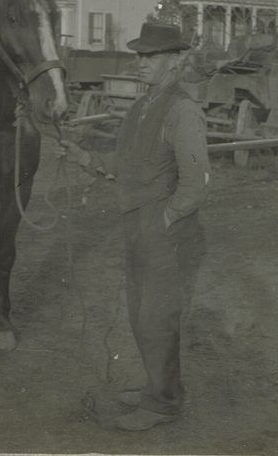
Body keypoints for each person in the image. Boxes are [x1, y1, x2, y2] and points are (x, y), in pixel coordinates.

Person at [58, 22, 210, 431]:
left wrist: (164, 219)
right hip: (139, 224)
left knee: (157, 317)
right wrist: (85, 158)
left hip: (167, 232)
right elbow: (125, 165)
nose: (141, 63)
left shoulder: (182, 109)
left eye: (152, 56)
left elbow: (196, 184)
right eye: (140, 55)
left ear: (176, 60)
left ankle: (163, 403)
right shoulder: (144, 107)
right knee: (139, 313)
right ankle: (156, 388)